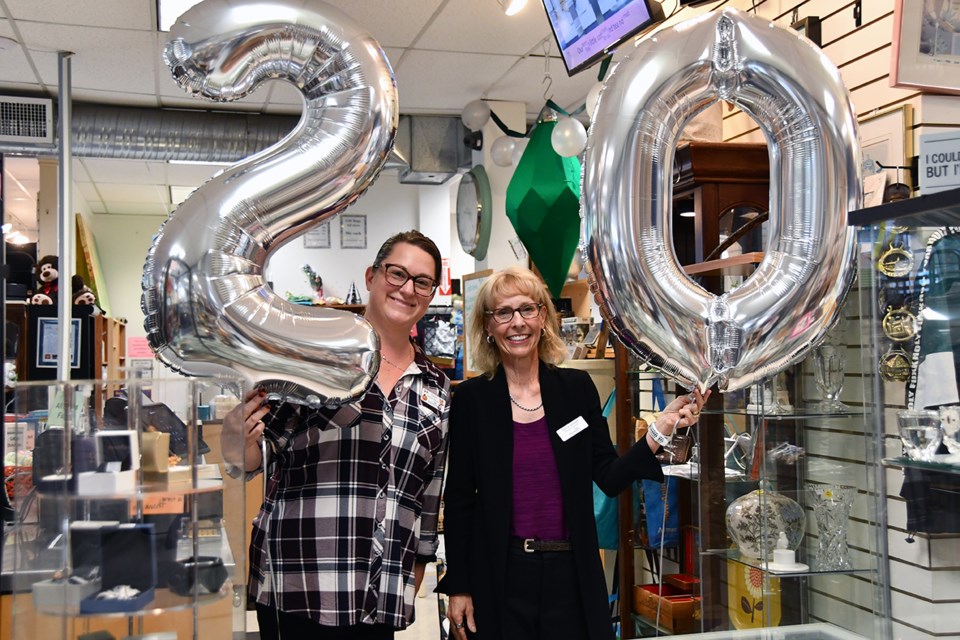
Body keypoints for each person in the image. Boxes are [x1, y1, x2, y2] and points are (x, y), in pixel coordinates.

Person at [436, 265, 708, 640]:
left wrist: (660, 428)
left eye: (527, 309)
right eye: (504, 312)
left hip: (572, 574)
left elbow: (609, 476)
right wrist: (459, 584)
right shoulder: (471, 400)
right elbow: (460, 499)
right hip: (499, 575)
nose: (517, 323)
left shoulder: (575, 390)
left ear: (543, 317)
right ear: (488, 325)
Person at [223, 230, 451, 640]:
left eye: (422, 281)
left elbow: (428, 489)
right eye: (397, 274)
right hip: (300, 584)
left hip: (378, 595)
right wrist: (235, 439)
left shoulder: (435, 385)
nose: (407, 289)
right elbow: (256, 453)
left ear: (432, 293)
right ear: (371, 276)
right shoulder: (314, 357)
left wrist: (419, 562)